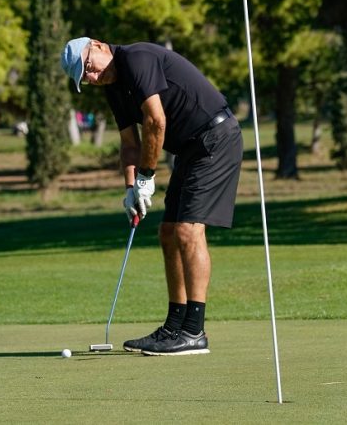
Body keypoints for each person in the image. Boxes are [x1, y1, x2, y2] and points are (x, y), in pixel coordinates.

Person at [61, 37, 243, 355]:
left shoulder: (136, 58)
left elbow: (155, 120)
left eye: (88, 67)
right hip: (189, 148)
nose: (91, 77)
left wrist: (147, 176)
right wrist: (131, 188)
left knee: (188, 230)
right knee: (168, 232)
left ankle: (194, 331)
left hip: (215, 137)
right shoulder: (114, 89)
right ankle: (174, 327)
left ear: (100, 46)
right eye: (84, 78)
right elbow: (130, 143)